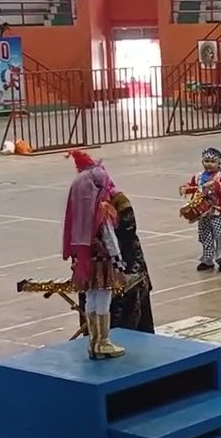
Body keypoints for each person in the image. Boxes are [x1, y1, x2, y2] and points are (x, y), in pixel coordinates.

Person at [69, 151, 155, 334]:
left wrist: (118, 265)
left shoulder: (117, 201)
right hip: (95, 268)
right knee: (94, 303)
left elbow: (126, 237)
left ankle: (106, 341)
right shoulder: (82, 203)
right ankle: (97, 340)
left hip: (126, 266)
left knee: (127, 321)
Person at [63, 159, 126, 359]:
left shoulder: (79, 212)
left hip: (85, 261)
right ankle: (104, 341)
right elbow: (109, 238)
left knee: (90, 296)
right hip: (103, 263)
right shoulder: (102, 209)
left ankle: (93, 341)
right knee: (103, 298)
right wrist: (118, 261)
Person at [181, 147, 221, 273]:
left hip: (218, 212)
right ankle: (207, 260)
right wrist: (185, 189)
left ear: (219, 163)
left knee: (220, 237)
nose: (209, 164)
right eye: (206, 161)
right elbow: (193, 187)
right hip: (202, 213)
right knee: (205, 236)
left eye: (212, 161)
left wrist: (216, 185)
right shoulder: (198, 176)